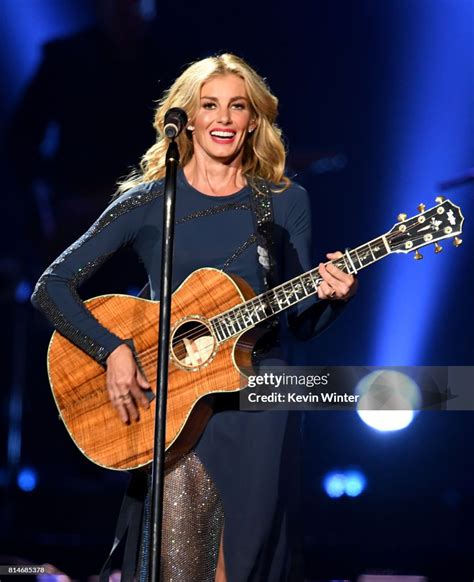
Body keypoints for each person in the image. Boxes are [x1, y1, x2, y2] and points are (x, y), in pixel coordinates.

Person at [31, 53, 358, 582]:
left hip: (259, 401)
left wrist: (333, 297)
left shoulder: (283, 201)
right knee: (179, 564)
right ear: (188, 116)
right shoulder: (148, 202)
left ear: (255, 119)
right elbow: (52, 287)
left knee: (247, 562)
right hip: (174, 401)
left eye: (237, 107)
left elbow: (298, 321)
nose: (224, 119)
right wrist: (112, 349)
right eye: (210, 106)